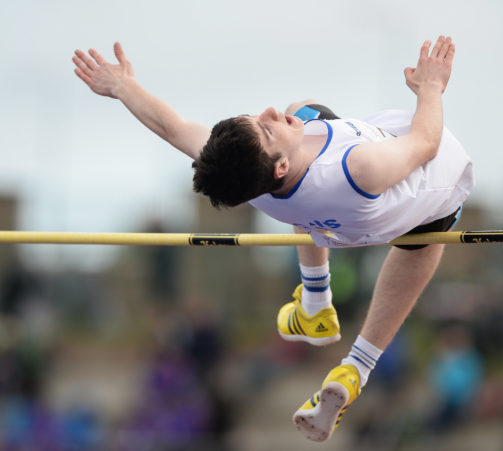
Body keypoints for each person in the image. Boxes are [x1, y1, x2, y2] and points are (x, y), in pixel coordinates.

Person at [72, 36, 473, 442]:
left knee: (303, 112)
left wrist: (123, 87)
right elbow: (426, 143)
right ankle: (358, 365)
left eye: (257, 118)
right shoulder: (360, 165)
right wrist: (431, 88)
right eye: (266, 128)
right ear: (280, 164)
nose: (269, 111)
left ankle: (316, 305)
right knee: (422, 245)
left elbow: (172, 128)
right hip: (430, 185)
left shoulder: (253, 179)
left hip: (332, 217)